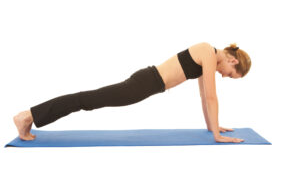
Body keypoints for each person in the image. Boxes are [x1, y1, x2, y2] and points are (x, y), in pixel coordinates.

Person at [13, 42, 251, 143]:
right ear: (231, 59)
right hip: (144, 84)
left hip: (146, 83)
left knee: (90, 100)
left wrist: (212, 127)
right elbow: (211, 96)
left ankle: (30, 115)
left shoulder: (206, 56)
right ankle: (28, 115)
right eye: (230, 73)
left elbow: (203, 96)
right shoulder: (208, 52)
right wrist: (218, 137)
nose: (224, 76)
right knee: (88, 100)